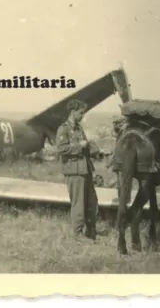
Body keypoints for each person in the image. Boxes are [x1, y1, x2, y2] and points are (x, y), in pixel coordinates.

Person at [56, 99, 98, 242]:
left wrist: (93, 147)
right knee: (78, 203)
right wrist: (80, 145)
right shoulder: (63, 129)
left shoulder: (79, 128)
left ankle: (91, 231)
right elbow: (62, 149)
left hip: (85, 169)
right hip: (74, 171)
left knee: (92, 201)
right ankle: (78, 234)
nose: (82, 116)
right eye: (81, 113)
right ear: (73, 112)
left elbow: (85, 146)